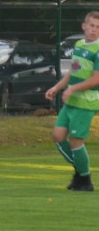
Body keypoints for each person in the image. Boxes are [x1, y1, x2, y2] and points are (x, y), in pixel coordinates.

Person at [44, 11, 99, 191]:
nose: (94, 30)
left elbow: (96, 79)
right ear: (84, 26)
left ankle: (85, 181)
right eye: (92, 25)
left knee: (76, 141)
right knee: (58, 136)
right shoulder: (79, 45)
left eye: (98, 27)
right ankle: (81, 172)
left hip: (86, 102)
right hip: (71, 100)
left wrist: (72, 89)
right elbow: (72, 72)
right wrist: (57, 87)